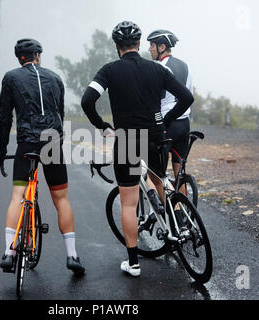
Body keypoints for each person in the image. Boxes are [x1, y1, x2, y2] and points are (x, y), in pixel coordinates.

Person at [81, 21, 194, 277]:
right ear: (140, 44)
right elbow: (186, 97)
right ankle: (174, 229)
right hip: (156, 137)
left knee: (129, 203)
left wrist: (102, 126)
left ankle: (133, 264)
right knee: (160, 180)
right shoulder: (156, 69)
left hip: (128, 141)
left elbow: (87, 100)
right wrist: (164, 120)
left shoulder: (109, 70)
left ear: (116, 46)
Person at [0, 38, 85, 275]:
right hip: (52, 141)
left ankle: (8, 252)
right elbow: (60, 113)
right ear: (37, 56)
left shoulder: (11, 77)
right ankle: (72, 255)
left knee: (18, 196)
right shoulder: (55, 78)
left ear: (20, 58)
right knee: (61, 198)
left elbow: (5, 118)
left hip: (27, 142)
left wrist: (2, 150)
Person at [147, 30, 193, 197]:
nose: (149, 49)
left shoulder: (158, 67)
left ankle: (161, 212)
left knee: (157, 173)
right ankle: (183, 213)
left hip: (166, 123)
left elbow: (153, 99)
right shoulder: (184, 65)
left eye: (152, 45)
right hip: (184, 122)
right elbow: (189, 93)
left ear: (162, 46)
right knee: (179, 172)